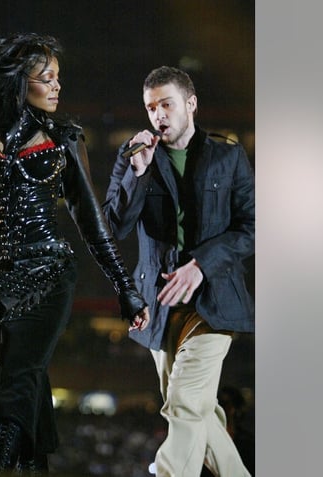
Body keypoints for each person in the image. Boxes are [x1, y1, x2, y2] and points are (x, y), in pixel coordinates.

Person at [0, 18, 149, 474]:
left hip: (48, 277)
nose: (58, 87)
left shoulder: (64, 139)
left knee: (17, 381)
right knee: (22, 386)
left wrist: (125, 288)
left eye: (59, 77)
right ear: (20, 83)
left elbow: (92, 223)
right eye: (47, 79)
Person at [103, 66, 254, 477]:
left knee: (185, 401)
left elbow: (253, 227)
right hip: (160, 306)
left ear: (190, 104)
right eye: (151, 107)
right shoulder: (134, 157)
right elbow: (113, 227)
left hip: (214, 302)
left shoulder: (228, 155)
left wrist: (201, 264)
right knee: (199, 414)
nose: (158, 115)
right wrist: (138, 173)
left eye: (166, 104)